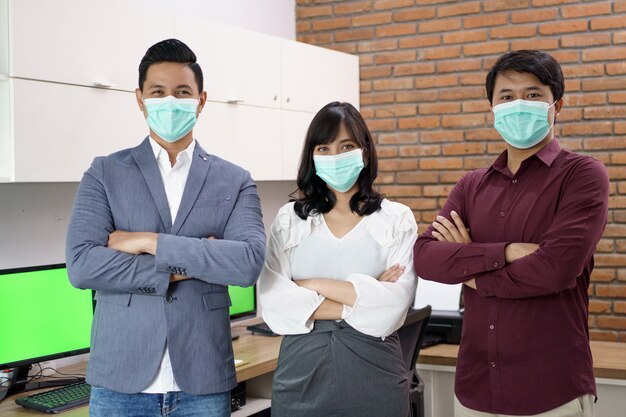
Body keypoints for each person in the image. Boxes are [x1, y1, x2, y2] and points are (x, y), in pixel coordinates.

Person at [66, 39, 266, 417]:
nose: (170, 101)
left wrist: (149, 241)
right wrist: (192, 263)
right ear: (140, 99)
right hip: (120, 380)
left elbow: (247, 263)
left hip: (202, 378)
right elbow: (82, 266)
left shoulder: (234, 180)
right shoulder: (105, 173)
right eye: (158, 92)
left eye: (182, 92)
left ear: (201, 100)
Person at [413, 50, 609, 417]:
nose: (518, 104)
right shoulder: (471, 186)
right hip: (475, 389)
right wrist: (506, 252)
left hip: (551, 391)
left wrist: (469, 264)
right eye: (506, 96)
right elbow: (425, 258)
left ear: (557, 105)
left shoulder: (582, 176)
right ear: (492, 108)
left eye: (533, 94)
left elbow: (554, 270)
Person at [259, 101, 418, 417]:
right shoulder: (290, 220)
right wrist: (365, 295)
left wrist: (310, 285)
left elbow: (393, 308)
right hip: (302, 374)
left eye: (346, 146)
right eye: (324, 148)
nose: (335, 156)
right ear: (313, 157)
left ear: (365, 153)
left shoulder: (396, 219)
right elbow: (274, 305)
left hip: (376, 373)